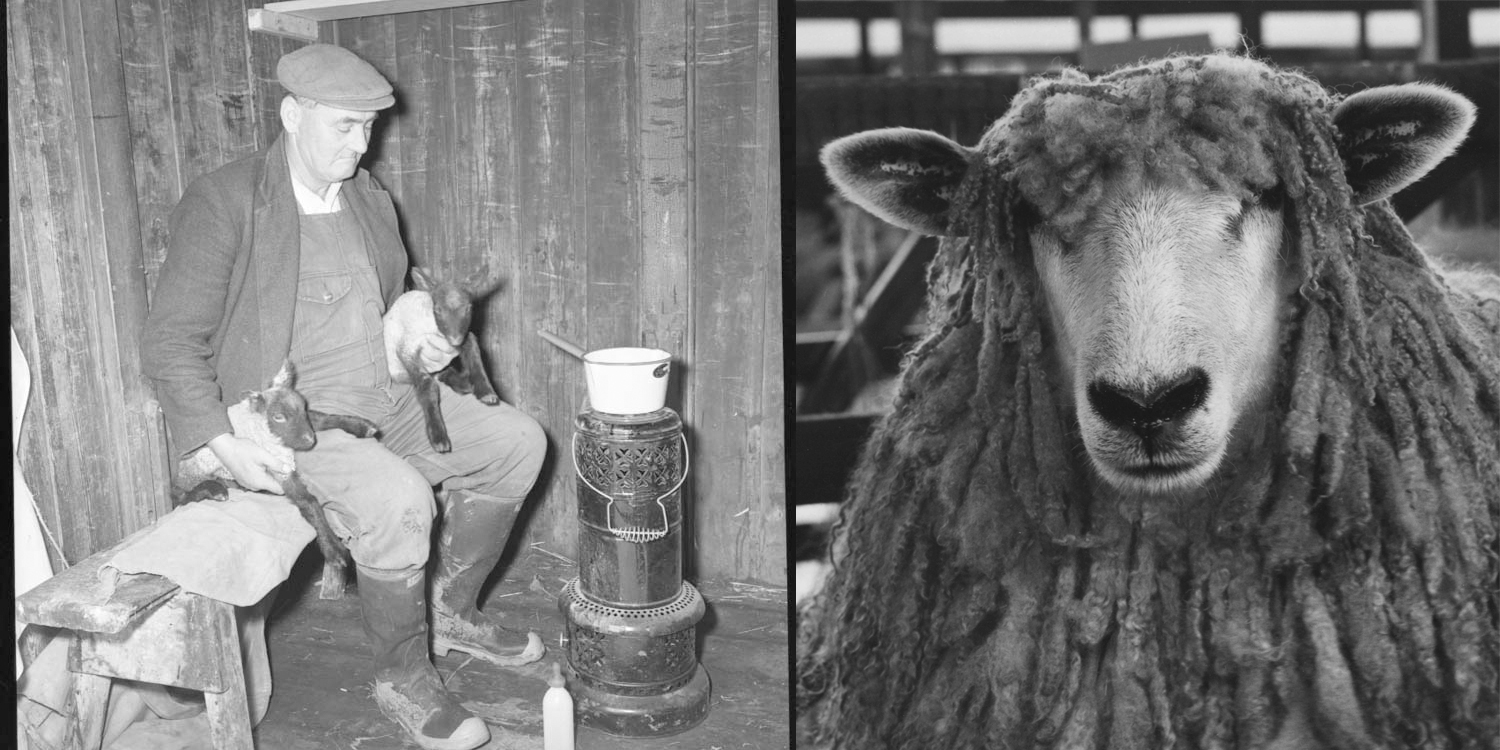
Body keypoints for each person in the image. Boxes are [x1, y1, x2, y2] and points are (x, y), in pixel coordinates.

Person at [142, 43, 546, 750]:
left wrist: (421, 333)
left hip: (386, 397)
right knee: (398, 502)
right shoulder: (228, 200)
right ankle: (403, 676)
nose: (360, 145)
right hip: (294, 423)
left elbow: (388, 304)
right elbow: (170, 343)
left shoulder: (366, 196)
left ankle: (450, 610)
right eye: (344, 126)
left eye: (368, 127)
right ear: (292, 114)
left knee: (518, 442)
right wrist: (223, 445)